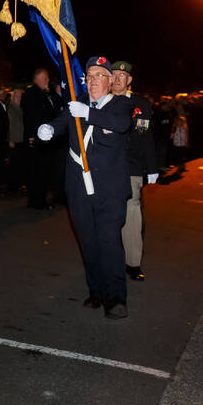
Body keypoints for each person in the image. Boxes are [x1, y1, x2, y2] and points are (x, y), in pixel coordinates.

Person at [37, 56, 133, 319]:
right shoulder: (76, 106)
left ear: (111, 80)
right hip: (79, 188)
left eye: (99, 75)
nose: (92, 81)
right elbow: (61, 121)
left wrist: (88, 113)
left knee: (109, 243)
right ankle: (97, 291)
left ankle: (116, 299)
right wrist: (49, 128)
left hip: (109, 191)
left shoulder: (121, 104)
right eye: (89, 76)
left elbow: (122, 124)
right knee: (89, 243)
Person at [109, 61, 159, 281]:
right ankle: (109, 259)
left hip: (131, 167)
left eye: (123, 75)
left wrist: (152, 168)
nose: (118, 78)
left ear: (129, 81)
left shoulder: (140, 105)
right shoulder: (101, 101)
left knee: (131, 213)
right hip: (106, 168)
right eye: (115, 74)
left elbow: (145, 135)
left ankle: (132, 263)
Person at [22, 68, 63, 209]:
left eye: (47, 78)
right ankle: (37, 201)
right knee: (37, 171)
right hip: (37, 138)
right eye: (44, 78)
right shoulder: (31, 93)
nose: (47, 81)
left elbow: (58, 105)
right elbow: (32, 116)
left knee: (47, 170)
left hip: (49, 138)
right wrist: (32, 136)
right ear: (36, 79)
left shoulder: (48, 93)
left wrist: (49, 91)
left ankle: (44, 197)